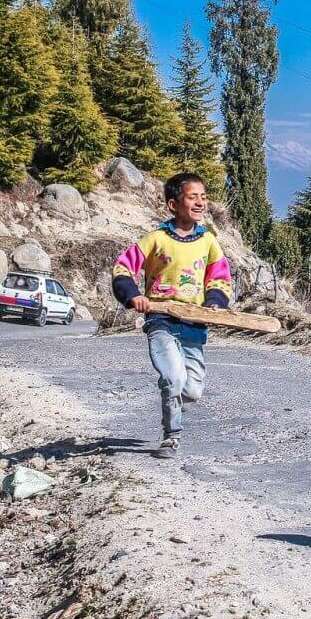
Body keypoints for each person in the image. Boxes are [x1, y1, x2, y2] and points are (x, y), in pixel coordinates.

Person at [111, 173, 232, 459]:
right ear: (173, 205)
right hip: (161, 320)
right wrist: (134, 296)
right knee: (173, 377)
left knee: (193, 389)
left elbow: (220, 279)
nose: (201, 202)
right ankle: (171, 435)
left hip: (194, 324)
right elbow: (122, 269)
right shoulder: (156, 240)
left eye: (203, 196)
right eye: (193, 197)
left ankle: (175, 402)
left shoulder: (209, 243)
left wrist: (214, 302)